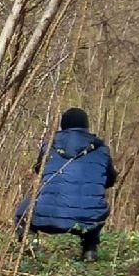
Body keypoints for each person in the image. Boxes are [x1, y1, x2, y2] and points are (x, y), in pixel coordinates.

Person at [15, 107, 116, 262]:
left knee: (22, 210)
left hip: (48, 217)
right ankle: (89, 250)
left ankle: (31, 246)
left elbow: (39, 171)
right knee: (95, 206)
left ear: (63, 125)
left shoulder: (49, 146)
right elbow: (110, 180)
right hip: (87, 220)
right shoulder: (101, 149)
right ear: (86, 126)